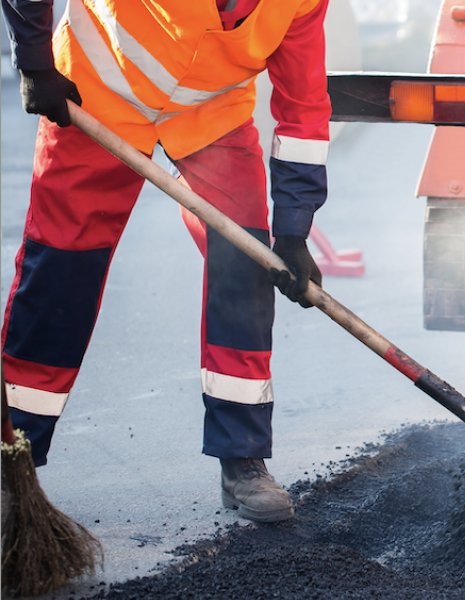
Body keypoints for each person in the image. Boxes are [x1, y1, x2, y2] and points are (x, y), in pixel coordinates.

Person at [0, 0, 332, 523]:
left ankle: (242, 456)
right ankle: (11, 455)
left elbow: (304, 108)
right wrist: (35, 59)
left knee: (246, 265)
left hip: (208, 116)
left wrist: (292, 229)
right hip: (94, 90)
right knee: (61, 273)